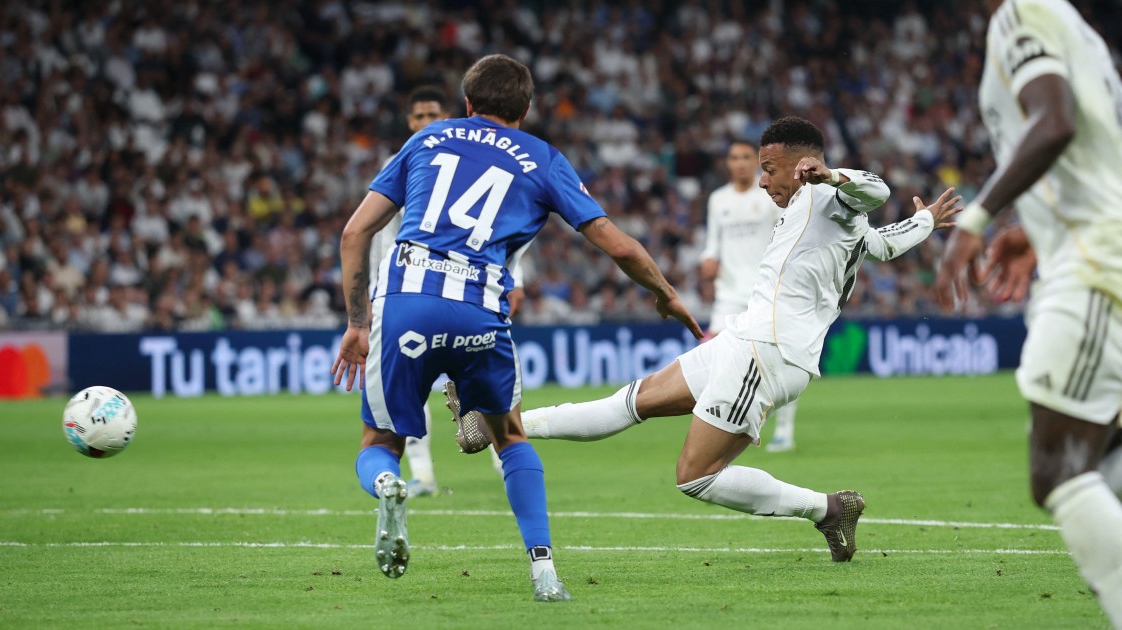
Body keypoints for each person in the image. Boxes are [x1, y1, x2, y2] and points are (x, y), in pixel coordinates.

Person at [449, 116, 961, 563]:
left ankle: (828, 509)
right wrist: (925, 221)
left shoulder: (829, 195)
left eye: (770, 168)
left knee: (695, 475)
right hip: (744, 338)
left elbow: (875, 190)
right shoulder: (828, 214)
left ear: (804, 164)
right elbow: (883, 244)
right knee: (630, 402)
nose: (762, 180)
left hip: (771, 352)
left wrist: (831, 174)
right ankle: (491, 425)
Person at [331, 54, 701, 601]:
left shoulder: (427, 138)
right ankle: (544, 572)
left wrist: (357, 323)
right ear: (525, 110)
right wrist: (666, 294)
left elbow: (354, 233)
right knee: (509, 437)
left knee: (380, 442)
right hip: (479, 309)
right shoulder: (543, 158)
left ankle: (388, 483)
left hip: (405, 302)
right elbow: (618, 245)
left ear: (467, 102)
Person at [935, 0, 1122, 624]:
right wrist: (1034, 230)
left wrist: (978, 220)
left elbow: (1055, 121)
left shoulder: (1020, 12)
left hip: (1095, 263)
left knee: (1057, 469)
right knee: (1103, 454)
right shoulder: (1070, 24)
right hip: (1092, 245)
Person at [367, 86, 512, 498]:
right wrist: (376, 292)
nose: (426, 122)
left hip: (470, 289)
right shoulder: (399, 162)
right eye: (419, 116)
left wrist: (512, 280)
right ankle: (424, 476)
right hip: (407, 290)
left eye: (433, 114)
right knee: (410, 392)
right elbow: (380, 234)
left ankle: (506, 463)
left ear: (448, 115)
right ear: (408, 121)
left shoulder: (472, 161)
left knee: (485, 386)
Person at [700, 140, 800, 452]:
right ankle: (727, 427)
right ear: (727, 163)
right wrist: (708, 259)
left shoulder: (769, 194)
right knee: (716, 358)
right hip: (728, 293)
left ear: (755, 163)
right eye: (734, 158)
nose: (740, 163)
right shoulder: (718, 199)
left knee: (780, 361)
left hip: (766, 290)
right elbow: (712, 243)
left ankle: (784, 431)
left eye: (746, 157)